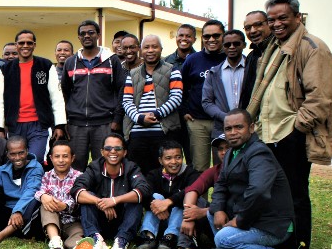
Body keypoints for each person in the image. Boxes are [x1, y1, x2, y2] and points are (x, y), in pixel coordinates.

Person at [247, 0, 332, 249]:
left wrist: (296, 129)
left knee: (295, 194)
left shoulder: (312, 48)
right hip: (269, 133)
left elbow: (320, 97)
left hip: (290, 134)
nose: (276, 24)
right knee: (274, 193)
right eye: (271, 19)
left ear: (298, 17)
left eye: (282, 18)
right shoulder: (274, 48)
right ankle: (281, 243)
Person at [209, 109, 300, 249]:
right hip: (253, 217)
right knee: (212, 212)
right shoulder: (231, 153)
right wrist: (218, 209)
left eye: (239, 127)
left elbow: (258, 190)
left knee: (223, 239)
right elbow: (221, 184)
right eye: (228, 129)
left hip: (272, 224)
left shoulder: (259, 153)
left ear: (251, 128)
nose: (233, 133)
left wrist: (240, 219)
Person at [72, 133, 151, 249]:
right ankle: (96, 239)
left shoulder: (131, 167)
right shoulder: (94, 167)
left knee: (135, 199)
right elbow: (76, 190)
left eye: (117, 148)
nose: (112, 151)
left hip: (123, 220)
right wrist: (100, 202)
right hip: (99, 220)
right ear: (102, 152)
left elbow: (144, 189)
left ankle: (122, 241)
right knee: (87, 197)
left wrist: (114, 200)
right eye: (108, 148)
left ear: (124, 152)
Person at [61, 20, 126, 172]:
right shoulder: (71, 62)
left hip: (104, 122)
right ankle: (79, 195)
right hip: (76, 124)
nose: (87, 36)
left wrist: (117, 118)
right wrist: (66, 119)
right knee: (76, 166)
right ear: (78, 37)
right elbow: (64, 92)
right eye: (83, 33)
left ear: (98, 35)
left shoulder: (112, 61)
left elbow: (121, 90)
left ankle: (102, 196)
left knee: (105, 164)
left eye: (91, 32)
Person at [0, 29, 66, 160]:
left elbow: (56, 96)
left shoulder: (45, 65)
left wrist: (59, 125)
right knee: (17, 160)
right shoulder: (6, 69)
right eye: (22, 43)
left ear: (34, 45)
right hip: (15, 125)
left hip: (39, 124)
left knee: (36, 159)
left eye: (29, 42)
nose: (25, 46)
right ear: (16, 45)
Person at [161, 134, 230, 249]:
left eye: (228, 148)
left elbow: (238, 205)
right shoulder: (215, 170)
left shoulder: (245, 169)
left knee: (201, 207)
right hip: (217, 222)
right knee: (194, 202)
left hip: (237, 222)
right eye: (220, 149)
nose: (223, 152)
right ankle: (183, 248)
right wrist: (189, 217)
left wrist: (204, 212)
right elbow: (192, 190)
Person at [122, 35, 183, 174]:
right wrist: (139, 118)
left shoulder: (172, 70)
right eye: (146, 47)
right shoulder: (132, 74)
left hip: (163, 131)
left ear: (161, 49)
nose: (150, 50)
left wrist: (156, 114)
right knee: (138, 173)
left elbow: (176, 97)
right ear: (141, 50)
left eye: (154, 47)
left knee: (162, 173)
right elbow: (126, 101)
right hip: (137, 133)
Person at [135, 141, 199, 249]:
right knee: (155, 197)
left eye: (178, 157)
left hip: (178, 221)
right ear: (161, 160)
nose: (174, 162)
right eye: (168, 158)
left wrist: (168, 203)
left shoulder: (191, 173)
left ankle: (170, 238)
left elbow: (192, 190)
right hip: (158, 220)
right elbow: (144, 195)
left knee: (185, 198)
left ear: (182, 158)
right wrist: (158, 206)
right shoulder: (153, 175)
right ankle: (148, 236)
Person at [180, 19, 226, 172]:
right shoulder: (193, 60)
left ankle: (221, 197)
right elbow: (181, 87)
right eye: (207, 36)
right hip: (197, 121)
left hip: (224, 121)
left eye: (216, 36)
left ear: (223, 36)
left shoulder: (231, 58)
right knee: (199, 168)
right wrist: (184, 111)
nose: (211, 40)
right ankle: (201, 197)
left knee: (224, 166)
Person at [34, 140, 93, 249]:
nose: (61, 160)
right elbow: (38, 191)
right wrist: (43, 196)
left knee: (77, 237)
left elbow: (81, 197)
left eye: (65, 156)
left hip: (73, 221)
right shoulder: (47, 176)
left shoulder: (80, 176)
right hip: (53, 220)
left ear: (72, 158)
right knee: (47, 205)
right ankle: (55, 243)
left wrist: (66, 206)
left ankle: (74, 248)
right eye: (57, 156)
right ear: (51, 158)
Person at [202, 30, 247, 138]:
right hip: (222, 129)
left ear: (244, 45)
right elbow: (207, 102)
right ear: (223, 46)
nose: (231, 47)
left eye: (236, 43)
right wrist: (226, 117)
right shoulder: (214, 72)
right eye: (227, 44)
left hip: (248, 128)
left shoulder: (253, 68)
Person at [239, 10, 273, 109]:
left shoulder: (280, 52)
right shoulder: (251, 56)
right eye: (248, 28)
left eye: (258, 25)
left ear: (269, 24)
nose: (253, 31)